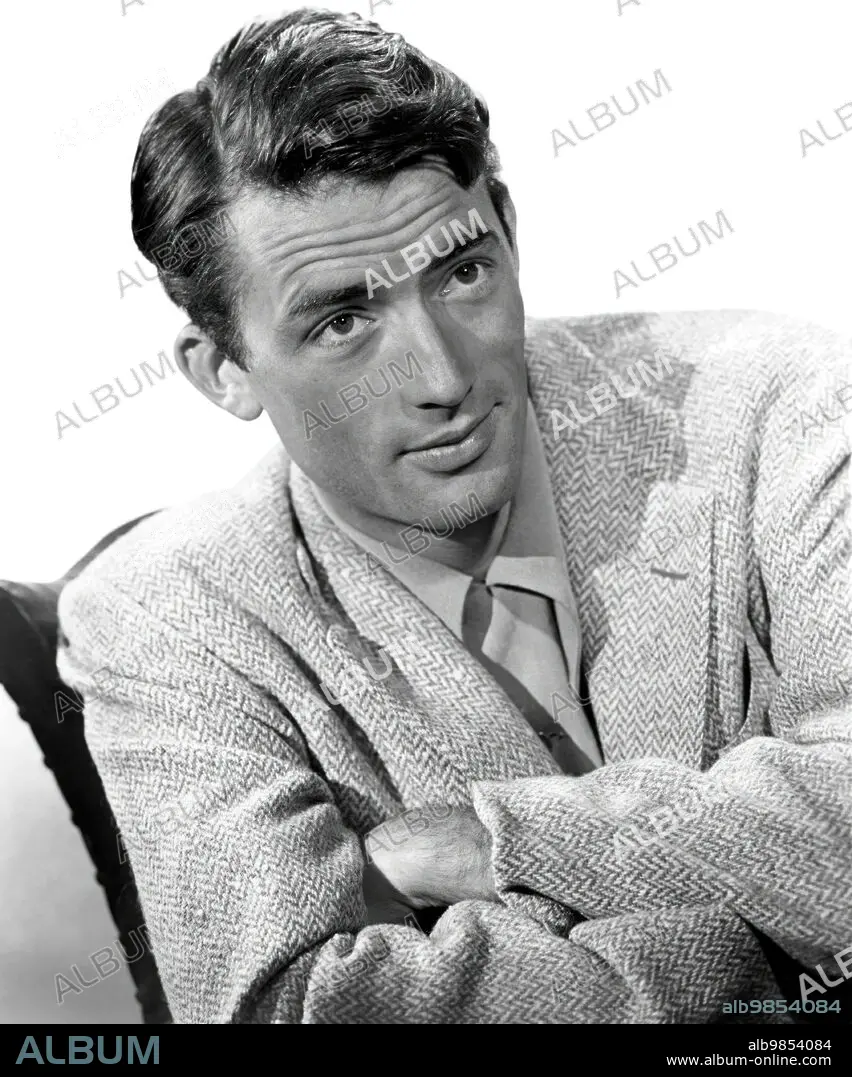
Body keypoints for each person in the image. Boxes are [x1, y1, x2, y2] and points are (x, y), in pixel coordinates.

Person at [58, 9, 851, 1023]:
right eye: (343, 321)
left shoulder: (781, 404)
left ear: (508, 228)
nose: (442, 376)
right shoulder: (162, 616)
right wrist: (770, 958)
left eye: (463, 271)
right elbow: (290, 1006)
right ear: (223, 370)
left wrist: (500, 843)